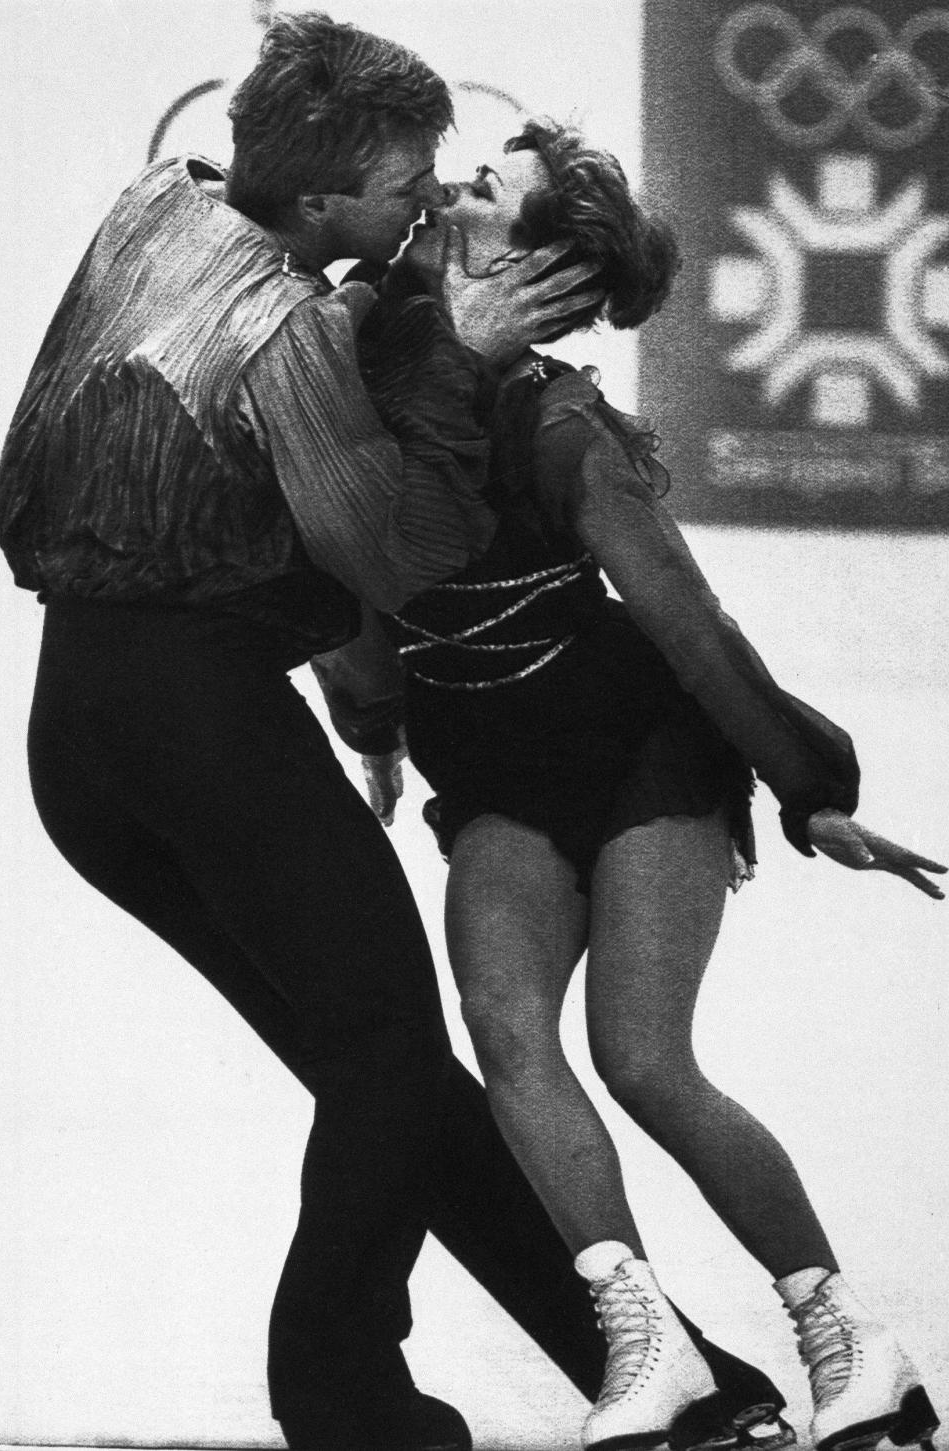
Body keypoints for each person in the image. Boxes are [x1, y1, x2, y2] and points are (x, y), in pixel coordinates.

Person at [0, 14, 798, 1451]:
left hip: (78, 737)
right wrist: (461, 358)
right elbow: (405, 550)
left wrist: (365, 701)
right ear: (313, 204)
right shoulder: (300, 327)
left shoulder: (157, 207)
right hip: (199, 726)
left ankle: (654, 1370)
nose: (429, 199)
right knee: (382, 1049)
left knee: (391, 1075)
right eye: (405, 180)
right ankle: (343, 1394)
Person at [315, 119, 947, 1451]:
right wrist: (369, 727)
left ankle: (855, 1346)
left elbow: (685, 623)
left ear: (534, 266)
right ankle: (645, 1348)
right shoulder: (363, 358)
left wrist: (805, 781)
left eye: (487, 184)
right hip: (491, 764)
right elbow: (345, 583)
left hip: (636, 751)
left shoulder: (557, 423)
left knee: (645, 1059)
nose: (450, 186)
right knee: (506, 1032)